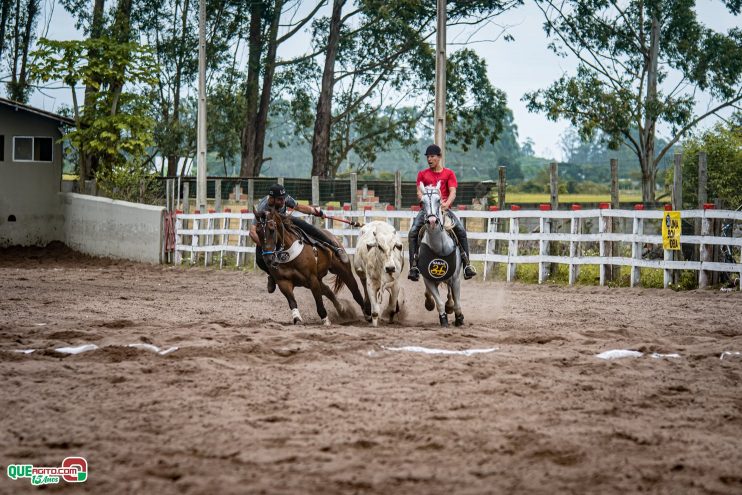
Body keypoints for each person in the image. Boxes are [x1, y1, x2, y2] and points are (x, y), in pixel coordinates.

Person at [249, 183, 349, 293]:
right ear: (271, 199)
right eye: (279, 200)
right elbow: (252, 232)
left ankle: (335, 248)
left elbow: (299, 207)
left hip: (284, 221)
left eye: (283, 199)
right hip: (269, 233)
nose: (283, 202)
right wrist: (265, 246)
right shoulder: (262, 207)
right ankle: (272, 276)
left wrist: (315, 211)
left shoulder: (285, 198)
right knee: (260, 259)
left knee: (309, 228)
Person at [408, 144, 477, 281]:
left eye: (432, 156)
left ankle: (466, 265)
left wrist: (446, 204)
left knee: (461, 231)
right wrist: (424, 199)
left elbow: (453, 192)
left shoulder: (449, 173)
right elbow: (418, 192)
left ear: (439, 157)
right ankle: (414, 266)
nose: (429, 159)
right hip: (426, 211)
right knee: (413, 232)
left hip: (444, 209)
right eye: (428, 157)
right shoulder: (422, 174)